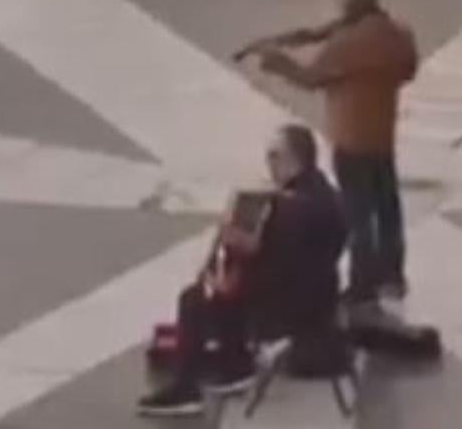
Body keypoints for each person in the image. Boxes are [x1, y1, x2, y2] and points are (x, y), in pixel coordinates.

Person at [137, 125, 347, 417]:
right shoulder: (329, 197)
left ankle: (188, 387)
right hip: (321, 301)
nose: (269, 164)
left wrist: (231, 251)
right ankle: (234, 365)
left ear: (295, 159)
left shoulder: (289, 208)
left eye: (274, 156)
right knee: (227, 291)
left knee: (195, 298)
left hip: (289, 310)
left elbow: (268, 260)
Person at [240, 0, 418, 305]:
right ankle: (392, 275)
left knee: (359, 215)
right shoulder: (396, 38)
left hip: (351, 140)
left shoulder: (348, 44)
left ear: (351, 3)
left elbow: (311, 78)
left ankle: (362, 284)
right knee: (387, 210)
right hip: (382, 137)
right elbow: (408, 69)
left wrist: (279, 64)